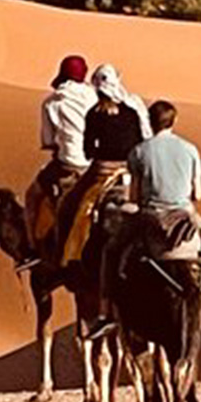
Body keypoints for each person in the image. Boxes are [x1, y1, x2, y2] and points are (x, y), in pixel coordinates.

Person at [91, 100, 201, 339]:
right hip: (184, 215)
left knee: (111, 251)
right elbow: (197, 194)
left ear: (149, 122)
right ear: (173, 121)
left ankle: (106, 313)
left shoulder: (138, 152)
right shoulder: (190, 150)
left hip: (149, 216)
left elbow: (135, 197)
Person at [56, 64, 145, 266]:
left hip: (101, 173)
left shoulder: (94, 114)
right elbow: (138, 143)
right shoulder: (131, 112)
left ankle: (67, 258)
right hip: (129, 173)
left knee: (68, 205)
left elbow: (88, 150)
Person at [24, 55, 98, 264]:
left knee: (32, 197)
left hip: (69, 165)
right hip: (95, 165)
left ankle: (31, 249)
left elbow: (48, 140)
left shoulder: (52, 102)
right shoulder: (95, 97)